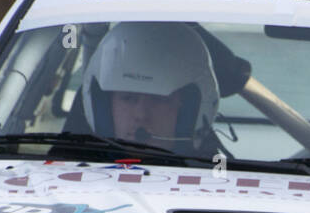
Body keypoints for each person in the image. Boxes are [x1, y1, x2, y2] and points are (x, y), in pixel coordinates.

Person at [79, 22, 221, 154]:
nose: (141, 115)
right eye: (128, 99)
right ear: (104, 107)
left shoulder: (220, 177)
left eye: (158, 100)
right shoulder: (70, 169)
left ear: (189, 110)